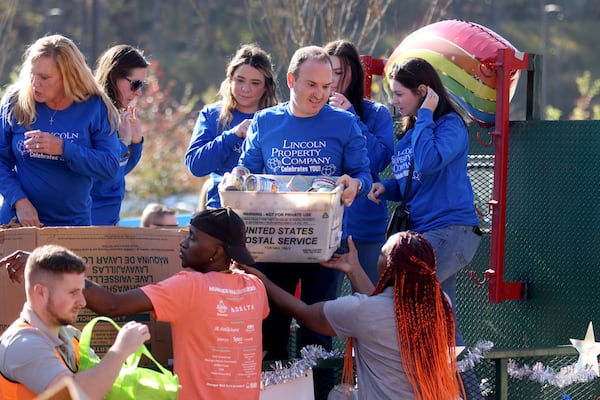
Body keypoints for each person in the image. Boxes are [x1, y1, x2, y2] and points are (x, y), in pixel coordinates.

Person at [237, 45, 373, 364]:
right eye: (312, 85)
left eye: (327, 87)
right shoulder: (265, 121)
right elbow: (247, 169)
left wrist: (356, 185)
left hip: (324, 246)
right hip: (273, 243)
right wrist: (238, 178)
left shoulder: (344, 122)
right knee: (270, 330)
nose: (320, 95)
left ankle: (319, 391)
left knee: (318, 334)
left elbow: (363, 174)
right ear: (291, 80)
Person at [368, 58, 482, 398]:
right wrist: (384, 188)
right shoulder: (413, 133)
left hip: (451, 233)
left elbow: (431, 161)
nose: (395, 102)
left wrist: (429, 115)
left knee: (401, 295)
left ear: (424, 92)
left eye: (400, 94)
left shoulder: (448, 125)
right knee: (441, 320)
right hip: (425, 237)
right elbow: (412, 183)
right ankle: (465, 393)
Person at [245, 231, 465, 400]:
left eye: (382, 253)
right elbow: (378, 312)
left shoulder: (363, 311)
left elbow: (305, 314)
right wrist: (354, 270)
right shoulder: (440, 303)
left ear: (389, 267)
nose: (378, 256)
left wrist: (263, 281)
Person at [83, 208, 267, 400]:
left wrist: (65, 270)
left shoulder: (189, 286)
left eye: (193, 237)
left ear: (216, 251)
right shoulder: (255, 287)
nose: (183, 242)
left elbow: (113, 305)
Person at [0, 34, 121, 227]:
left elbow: (110, 167)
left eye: (44, 77)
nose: (34, 83)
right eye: (32, 74)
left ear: (69, 77)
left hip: (72, 226)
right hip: (18, 221)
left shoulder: (95, 106)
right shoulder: (15, 102)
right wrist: (19, 200)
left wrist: (63, 148)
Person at [0, 244, 150, 400]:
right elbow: (75, 395)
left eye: (81, 291)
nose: (83, 302)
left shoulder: (71, 336)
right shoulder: (23, 343)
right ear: (41, 292)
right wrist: (121, 350)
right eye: (73, 292)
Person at [324, 39, 394, 286]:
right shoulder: (313, 113)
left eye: (339, 72)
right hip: (322, 224)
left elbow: (379, 160)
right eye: (326, 72)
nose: (331, 80)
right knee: (322, 302)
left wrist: (351, 116)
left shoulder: (376, 113)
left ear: (353, 74)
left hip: (365, 227)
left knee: (368, 298)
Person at [185, 43, 278, 209]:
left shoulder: (279, 118)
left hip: (268, 211)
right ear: (230, 79)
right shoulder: (213, 115)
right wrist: (232, 135)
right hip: (221, 211)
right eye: (240, 80)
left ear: (266, 86)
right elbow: (195, 166)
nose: (245, 88)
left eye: (255, 83)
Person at [91, 45, 150, 225]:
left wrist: (136, 142)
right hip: (90, 218)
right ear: (114, 76)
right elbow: (102, 171)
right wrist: (123, 143)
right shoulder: (93, 112)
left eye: (142, 85)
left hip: (109, 217)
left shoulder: (115, 113)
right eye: (135, 84)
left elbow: (121, 171)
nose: (139, 92)